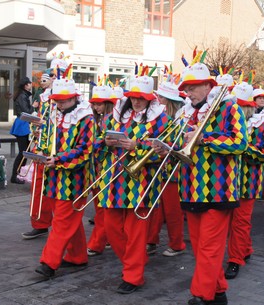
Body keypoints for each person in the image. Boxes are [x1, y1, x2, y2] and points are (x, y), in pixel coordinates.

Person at [176, 53, 248, 305]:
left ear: (208, 86)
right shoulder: (186, 112)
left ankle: (201, 295)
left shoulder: (230, 107)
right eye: (186, 88)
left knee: (208, 248)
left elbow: (240, 144)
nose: (189, 92)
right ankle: (218, 292)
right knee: (200, 248)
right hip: (190, 189)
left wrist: (205, 137)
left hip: (218, 190)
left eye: (193, 87)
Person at [96, 71, 171, 294]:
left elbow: (165, 152)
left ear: (150, 99)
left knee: (136, 234)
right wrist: (106, 140)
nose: (136, 101)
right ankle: (133, 263)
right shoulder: (117, 116)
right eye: (133, 97)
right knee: (111, 229)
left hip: (142, 183)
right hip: (113, 182)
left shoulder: (162, 120)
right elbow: (99, 142)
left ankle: (133, 275)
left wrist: (136, 147)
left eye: (141, 98)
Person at [34, 73, 94, 281]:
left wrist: (59, 159)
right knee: (70, 220)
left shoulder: (86, 118)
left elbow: (85, 150)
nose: (60, 104)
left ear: (75, 98)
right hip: (53, 177)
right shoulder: (54, 115)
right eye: (58, 100)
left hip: (74, 179)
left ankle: (48, 263)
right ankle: (78, 256)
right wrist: (41, 151)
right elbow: (47, 140)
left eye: (64, 100)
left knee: (61, 221)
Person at [224, 82, 264, 279]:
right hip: (227, 182)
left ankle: (235, 260)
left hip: (248, 183)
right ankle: (245, 249)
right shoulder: (228, 123)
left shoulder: (260, 126)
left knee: (240, 222)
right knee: (230, 222)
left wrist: (245, 149)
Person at [20, 56, 68, 240]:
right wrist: (36, 129)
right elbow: (39, 119)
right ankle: (39, 223)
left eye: (53, 76)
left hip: (60, 154)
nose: (48, 80)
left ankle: (58, 225)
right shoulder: (43, 98)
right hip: (42, 148)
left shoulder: (69, 102)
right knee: (38, 188)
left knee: (59, 193)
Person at [146, 78, 186, 257]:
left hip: (173, 170)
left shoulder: (179, 118)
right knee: (155, 208)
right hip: (158, 168)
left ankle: (177, 244)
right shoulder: (159, 116)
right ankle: (151, 240)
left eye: (161, 98)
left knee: (172, 210)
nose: (158, 101)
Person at [86, 81, 115, 257]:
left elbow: (101, 143)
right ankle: (106, 239)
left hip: (106, 167)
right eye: (95, 103)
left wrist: (96, 143)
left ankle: (97, 243)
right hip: (96, 167)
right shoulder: (97, 119)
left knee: (103, 209)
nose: (96, 106)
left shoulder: (111, 120)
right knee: (101, 209)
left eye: (100, 103)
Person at [9, 76, 39, 184]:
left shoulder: (22, 95)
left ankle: (19, 174)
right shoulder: (22, 96)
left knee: (25, 152)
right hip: (22, 124)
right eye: (30, 83)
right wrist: (33, 106)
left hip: (23, 124)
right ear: (26, 85)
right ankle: (15, 175)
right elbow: (26, 111)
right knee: (23, 152)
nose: (31, 85)